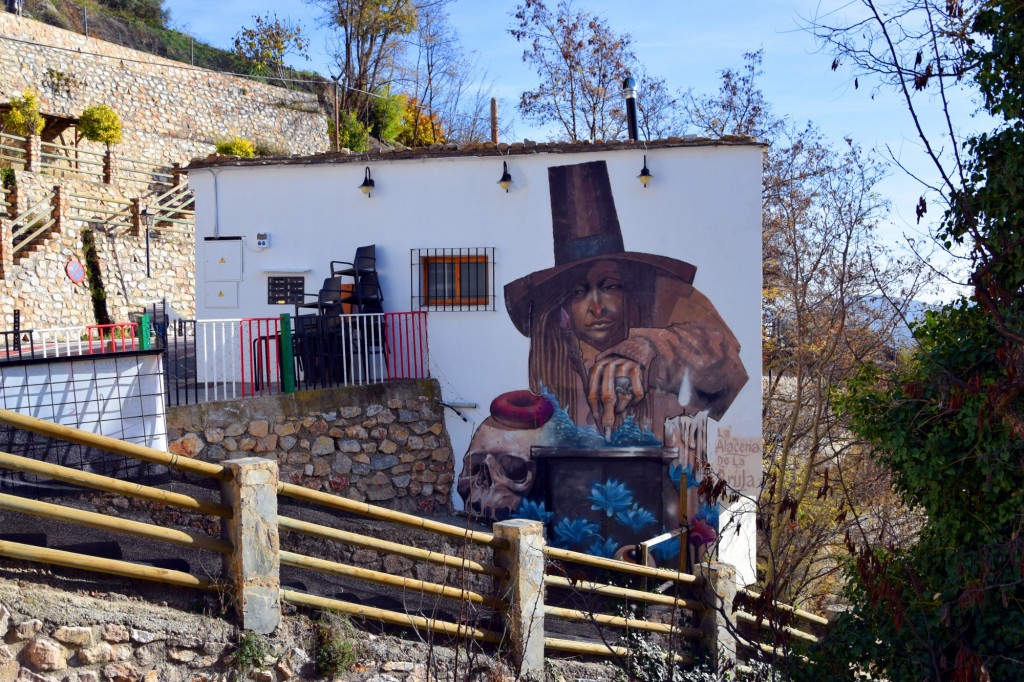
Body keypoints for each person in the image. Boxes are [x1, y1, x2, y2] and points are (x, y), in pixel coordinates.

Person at [504, 160, 748, 441]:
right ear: (564, 307)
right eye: (578, 293)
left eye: (610, 286)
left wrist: (649, 349)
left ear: (628, 289)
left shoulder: (665, 305)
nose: (597, 307)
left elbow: (726, 367)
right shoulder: (551, 349)